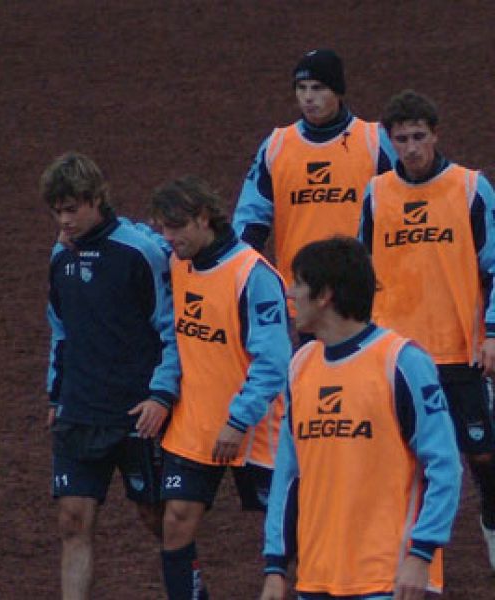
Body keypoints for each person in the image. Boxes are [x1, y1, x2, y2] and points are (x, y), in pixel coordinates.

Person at [260, 236, 462, 600]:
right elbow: (289, 476)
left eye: (299, 284)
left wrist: (421, 553)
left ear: (325, 295)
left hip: (389, 578)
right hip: (317, 579)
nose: (290, 294)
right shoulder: (300, 368)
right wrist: (275, 565)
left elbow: (444, 466)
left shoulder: (402, 363)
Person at [359, 89, 495, 573]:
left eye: (419, 137)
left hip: (461, 352)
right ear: (390, 141)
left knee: (483, 457)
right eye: (401, 139)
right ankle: (408, 563)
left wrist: (493, 333)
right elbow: (364, 272)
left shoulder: (470, 188)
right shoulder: (376, 194)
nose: (411, 147)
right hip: (398, 356)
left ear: (435, 134)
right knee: (402, 464)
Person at [42, 152, 180, 599]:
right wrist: (55, 394)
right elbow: (60, 329)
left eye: (71, 210)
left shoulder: (143, 253)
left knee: (160, 521)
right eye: (57, 211)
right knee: (72, 521)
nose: (63, 221)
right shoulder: (60, 258)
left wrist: (162, 393)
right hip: (80, 409)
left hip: (137, 412)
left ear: (97, 200)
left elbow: (173, 327)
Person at [150, 176, 291, 599]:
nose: (168, 238)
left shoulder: (254, 276)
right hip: (196, 425)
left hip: (257, 430)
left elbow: (273, 362)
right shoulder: (179, 263)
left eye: (175, 228)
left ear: (204, 218)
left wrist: (237, 420)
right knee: (175, 522)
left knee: (291, 536)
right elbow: (177, 335)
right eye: (162, 228)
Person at [233, 48, 396, 291]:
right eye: (301, 88)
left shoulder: (375, 142)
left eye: (318, 88)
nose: (308, 97)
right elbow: (250, 220)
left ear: (337, 92)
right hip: (302, 296)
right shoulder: (276, 146)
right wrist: (241, 272)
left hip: (361, 295)